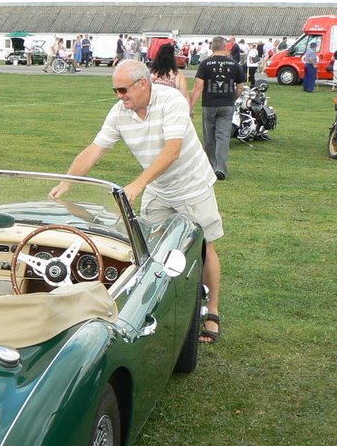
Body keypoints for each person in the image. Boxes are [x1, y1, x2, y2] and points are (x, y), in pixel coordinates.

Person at [50, 59, 224, 344]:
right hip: (159, 188)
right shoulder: (119, 113)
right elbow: (95, 150)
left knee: (206, 247)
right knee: (148, 250)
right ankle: (156, 311)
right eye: (116, 91)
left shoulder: (172, 101)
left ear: (142, 83)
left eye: (122, 90)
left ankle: (212, 312)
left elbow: (173, 151)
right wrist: (67, 182)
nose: (119, 96)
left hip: (193, 186)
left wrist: (139, 184)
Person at [189, 35, 245, 182]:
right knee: (222, 137)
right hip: (227, 104)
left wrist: (191, 106)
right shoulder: (234, 65)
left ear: (212, 47)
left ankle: (209, 167)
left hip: (209, 104)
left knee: (209, 137)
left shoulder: (205, 64)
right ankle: (220, 168)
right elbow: (240, 87)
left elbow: (198, 87)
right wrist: (233, 98)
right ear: (225, 47)